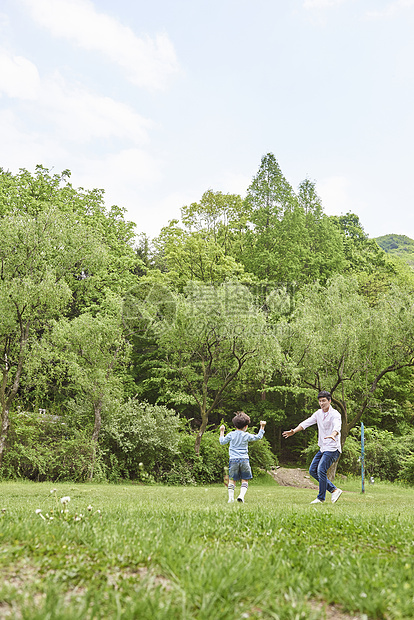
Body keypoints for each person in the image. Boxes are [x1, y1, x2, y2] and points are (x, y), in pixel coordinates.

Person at [282, 390, 343, 504]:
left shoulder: (335, 414)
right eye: (320, 401)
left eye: (324, 401)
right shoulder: (318, 413)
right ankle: (334, 490)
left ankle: (321, 498)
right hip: (323, 448)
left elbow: (337, 426)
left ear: (329, 401)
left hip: (333, 449)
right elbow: (307, 422)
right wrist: (294, 431)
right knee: (312, 471)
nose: (321, 403)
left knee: (321, 470)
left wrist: (333, 434)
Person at [219, 412, 266, 503]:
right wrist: (262, 426)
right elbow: (258, 437)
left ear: (235, 425)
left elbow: (222, 442)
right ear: (246, 426)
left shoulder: (231, 434)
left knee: (232, 480)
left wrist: (221, 431)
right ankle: (241, 496)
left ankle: (231, 499)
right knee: (245, 480)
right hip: (244, 459)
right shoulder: (246, 435)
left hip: (233, 460)